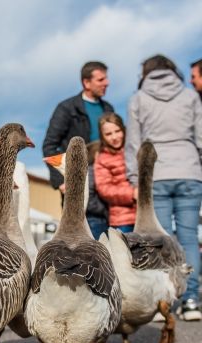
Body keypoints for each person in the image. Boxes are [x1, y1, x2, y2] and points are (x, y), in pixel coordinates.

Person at [125, 54, 202, 321]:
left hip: (155, 173)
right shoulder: (190, 96)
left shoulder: (138, 99)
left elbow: (133, 144)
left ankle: (162, 300)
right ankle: (192, 300)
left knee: (159, 239)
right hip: (189, 170)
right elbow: (201, 137)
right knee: (190, 237)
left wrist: (135, 179)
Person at [43, 61, 113, 240]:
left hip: (106, 188)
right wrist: (61, 181)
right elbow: (50, 145)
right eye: (101, 79)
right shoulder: (67, 108)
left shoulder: (108, 109)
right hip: (77, 186)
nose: (107, 83)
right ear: (86, 83)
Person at [94, 113, 137, 233]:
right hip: (122, 219)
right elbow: (104, 189)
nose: (114, 137)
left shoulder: (135, 150)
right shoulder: (102, 158)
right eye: (108, 134)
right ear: (102, 137)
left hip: (145, 215)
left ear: (123, 129)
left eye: (117, 131)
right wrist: (132, 193)